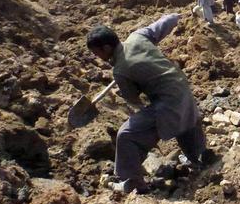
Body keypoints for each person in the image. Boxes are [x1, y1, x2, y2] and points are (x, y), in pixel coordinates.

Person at [85, 14, 207, 193]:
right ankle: (200, 158)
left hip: (168, 102)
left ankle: (133, 182)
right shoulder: (137, 36)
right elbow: (164, 23)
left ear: (106, 47)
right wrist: (176, 17)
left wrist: (124, 85)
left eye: (97, 53)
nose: (98, 57)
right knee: (186, 121)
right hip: (182, 89)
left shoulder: (120, 70)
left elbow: (133, 99)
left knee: (126, 135)